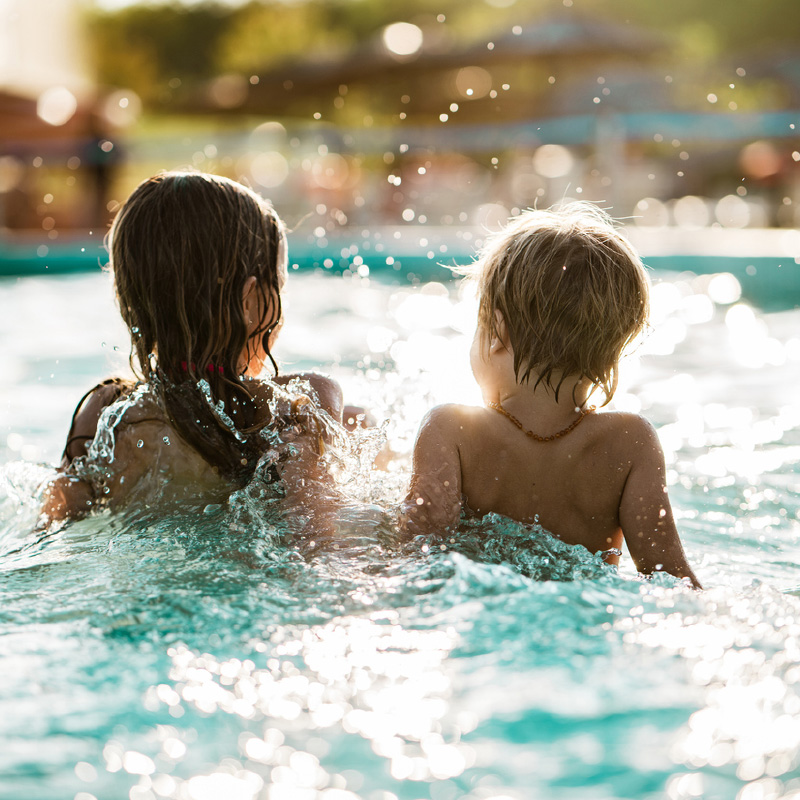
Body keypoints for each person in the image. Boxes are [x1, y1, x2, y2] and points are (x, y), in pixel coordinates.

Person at [402, 202, 701, 588]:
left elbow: (416, 557)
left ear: (496, 332)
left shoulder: (452, 430)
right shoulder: (631, 442)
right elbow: (671, 578)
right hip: (587, 621)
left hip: (483, 612)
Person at [42, 171, 344, 523]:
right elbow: (313, 536)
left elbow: (55, 525)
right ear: (249, 301)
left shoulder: (103, 412)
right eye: (279, 285)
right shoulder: (299, 401)